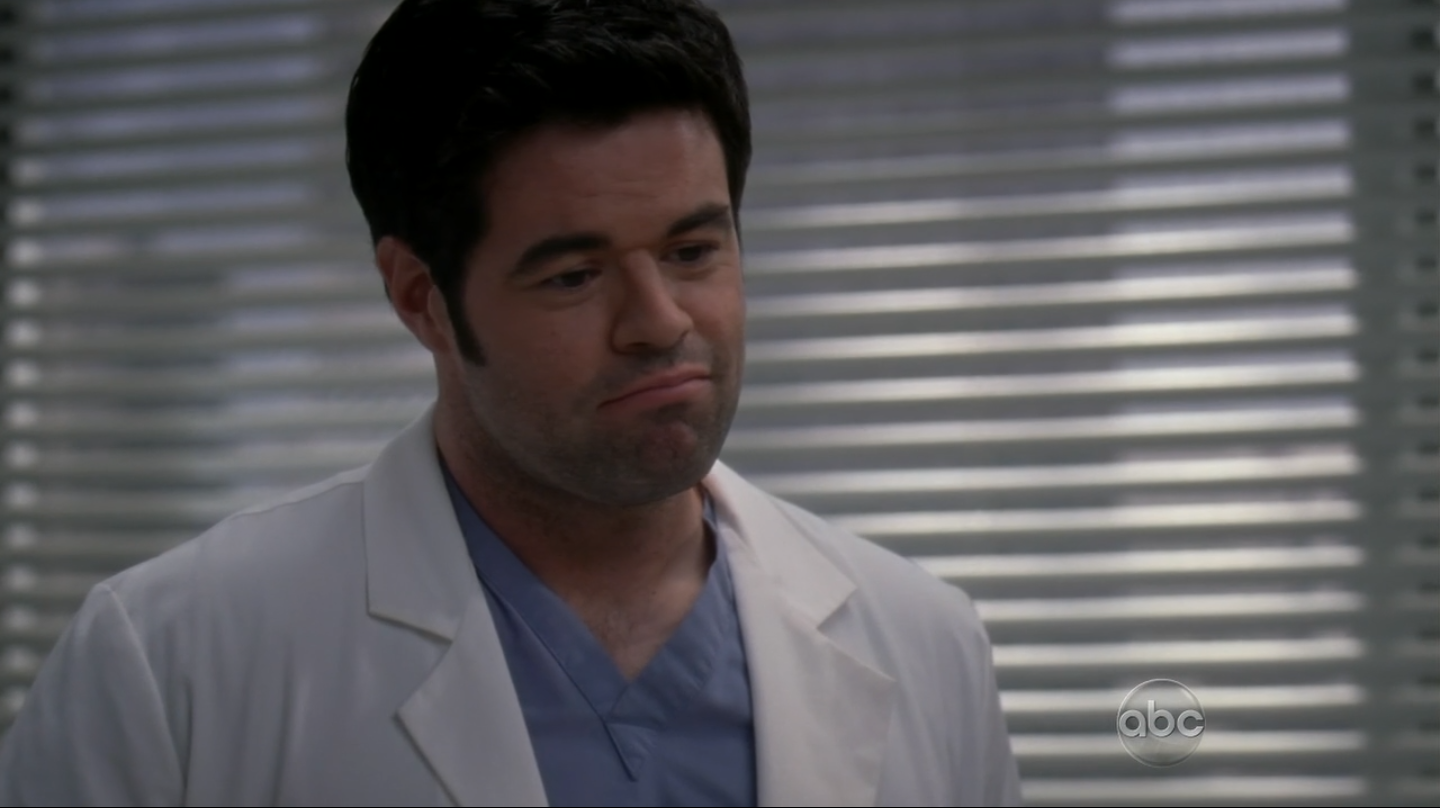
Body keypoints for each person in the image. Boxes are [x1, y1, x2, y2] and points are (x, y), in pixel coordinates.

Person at [0, 1, 1022, 805]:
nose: (660, 321)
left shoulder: (926, 642)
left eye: (692, 250)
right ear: (421, 299)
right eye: (574, 275)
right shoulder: (172, 663)